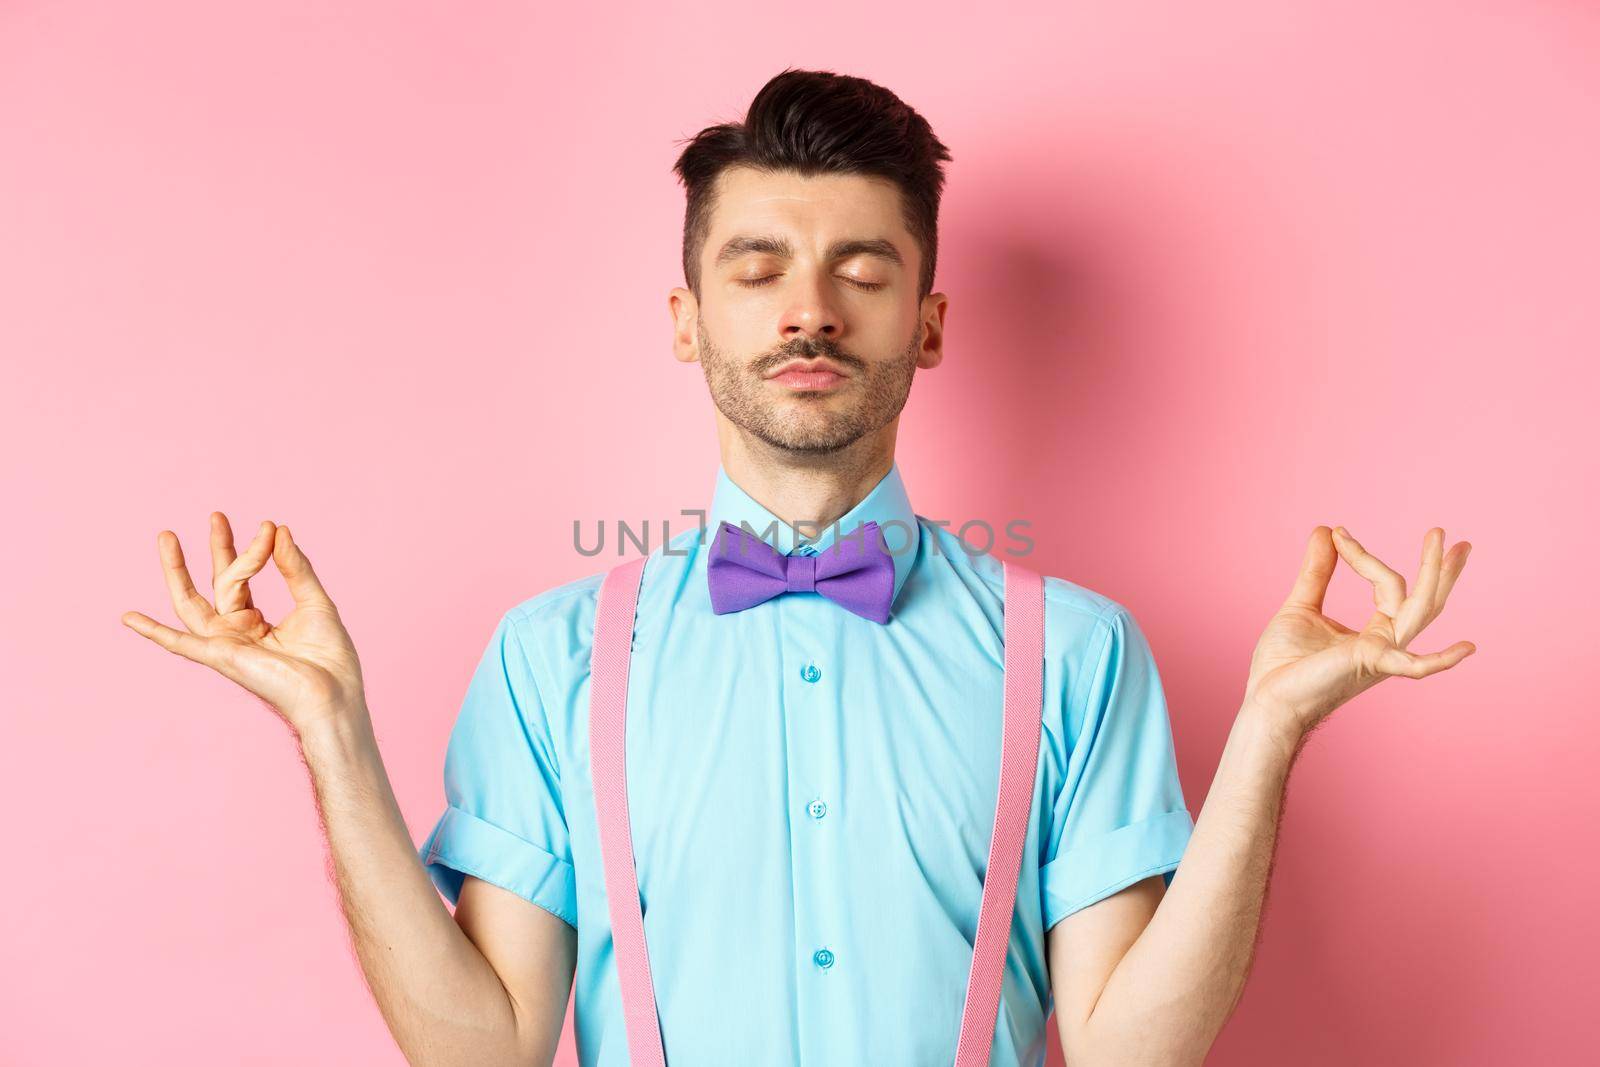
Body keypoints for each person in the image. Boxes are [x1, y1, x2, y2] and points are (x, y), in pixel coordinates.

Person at [121, 68, 1475, 1067]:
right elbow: (484, 1050)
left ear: (929, 323)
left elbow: (1135, 1054)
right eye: (758, 265)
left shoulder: (1076, 651)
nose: (811, 308)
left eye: (862, 270)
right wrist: (331, 731)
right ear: (687, 316)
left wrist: (1273, 730)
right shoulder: (553, 657)